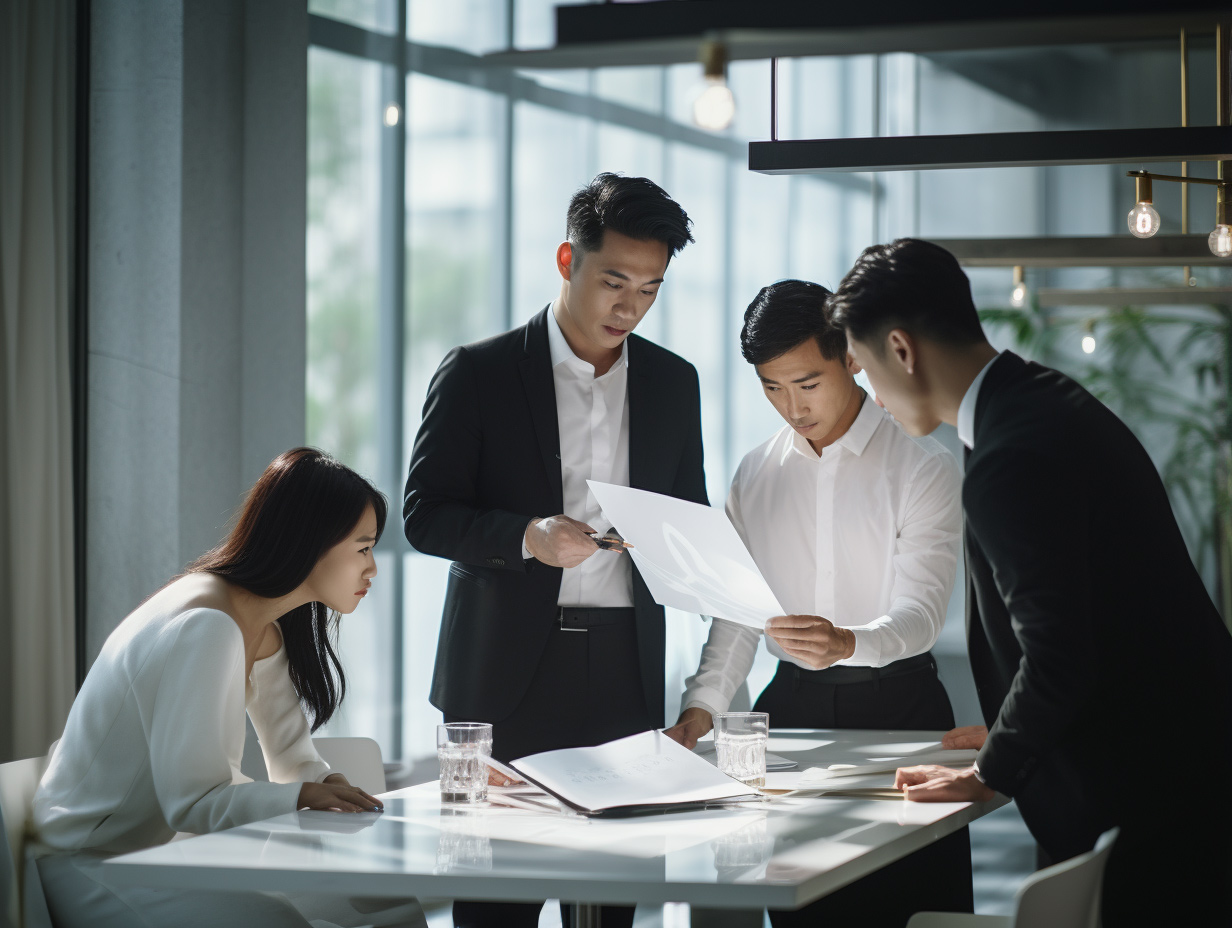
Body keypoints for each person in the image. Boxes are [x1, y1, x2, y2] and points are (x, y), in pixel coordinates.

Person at [829, 238, 1232, 926]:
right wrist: (1005, 731)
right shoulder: (1046, 404)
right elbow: (1104, 616)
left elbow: (1060, 653)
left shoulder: (1011, 458)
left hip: (1150, 802)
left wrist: (989, 772)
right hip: (1184, 767)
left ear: (901, 349)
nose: (873, 399)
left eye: (864, 373)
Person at [403, 173, 706, 928]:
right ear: (569, 261)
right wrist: (528, 538)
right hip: (502, 682)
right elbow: (424, 516)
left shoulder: (674, 383)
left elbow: (689, 514)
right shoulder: (478, 372)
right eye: (614, 282)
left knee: (609, 907)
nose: (629, 306)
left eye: (650, 288)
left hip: (623, 676)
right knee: (494, 907)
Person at [663, 279, 972, 927]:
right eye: (772, 387)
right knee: (804, 908)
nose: (791, 407)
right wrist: (703, 706)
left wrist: (847, 642)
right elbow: (738, 615)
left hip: (902, 713)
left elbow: (922, 617)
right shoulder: (755, 472)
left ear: (851, 359)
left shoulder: (923, 464)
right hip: (792, 712)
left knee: (908, 908)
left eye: (807, 383)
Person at [32, 448, 425, 928]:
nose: (373, 568)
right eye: (363, 548)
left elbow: (292, 761)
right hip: (95, 865)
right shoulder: (208, 625)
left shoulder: (261, 625)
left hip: (161, 854)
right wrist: (303, 796)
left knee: (391, 907)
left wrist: (324, 784)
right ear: (309, 541)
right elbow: (192, 802)